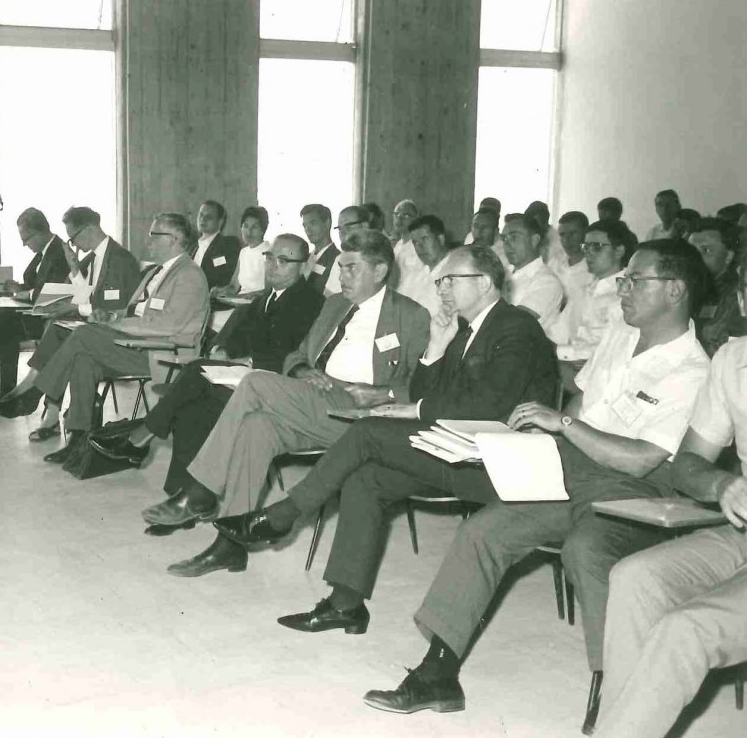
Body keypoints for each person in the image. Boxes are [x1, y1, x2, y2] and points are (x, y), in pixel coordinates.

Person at [360, 240, 711, 728]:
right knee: (484, 532)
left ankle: (618, 686)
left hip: (632, 492)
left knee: (588, 549)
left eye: (634, 280)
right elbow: (578, 401)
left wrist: (562, 427)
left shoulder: (693, 370)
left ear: (674, 290)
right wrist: (541, 429)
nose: (622, 289)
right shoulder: (620, 334)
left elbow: (638, 461)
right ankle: (439, 674)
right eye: (625, 278)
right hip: (569, 467)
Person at [221, 245, 558, 632]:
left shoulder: (516, 327)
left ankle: (284, 515)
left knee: (366, 432)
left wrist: (414, 411)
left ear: (484, 283)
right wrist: (436, 345)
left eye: (452, 280)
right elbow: (424, 391)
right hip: (456, 448)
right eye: (440, 281)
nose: (443, 289)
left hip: (500, 463)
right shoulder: (465, 329)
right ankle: (345, 603)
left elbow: (489, 403)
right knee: (366, 477)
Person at [165, 230, 430, 577]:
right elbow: (298, 354)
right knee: (255, 428)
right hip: (317, 398)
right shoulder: (334, 305)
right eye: (340, 268)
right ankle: (229, 546)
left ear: (380, 271)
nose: (342, 276)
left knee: (256, 382)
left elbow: (426, 386)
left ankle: (202, 487)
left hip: (363, 414)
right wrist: (304, 369)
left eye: (352, 268)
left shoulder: (411, 316)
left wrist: (384, 393)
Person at [595, 274, 747, 736]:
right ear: (742, 298)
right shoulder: (733, 360)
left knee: (688, 628)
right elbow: (688, 465)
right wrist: (722, 483)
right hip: (739, 534)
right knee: (634, 577)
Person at [92, 234, 324, 528]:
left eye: (284, 261)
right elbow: (239, 328)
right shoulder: (265, 298)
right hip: (245, 376)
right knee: (193, 404)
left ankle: (144, 438)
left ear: (303, 267)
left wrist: (248, 362)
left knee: (196, 378)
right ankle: (182, 496)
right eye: (270, 258)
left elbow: (296, 354)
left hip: (275, 385)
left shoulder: (312, 302)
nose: (273, 266)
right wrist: (225, 349)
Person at [0, 213, 209, 464]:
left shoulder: (190, 275)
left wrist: (117, 323)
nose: (148, 240)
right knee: (84, 359)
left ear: (174, 239)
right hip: (137, 345)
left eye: (154, 235)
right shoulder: (157, 272)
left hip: (162, 355)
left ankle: (35, 392)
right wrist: (109, 315)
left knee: (84, 334)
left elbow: (167, 324)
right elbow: (134, 311)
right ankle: (78, 439)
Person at [0, 205, 141, 434]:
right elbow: (86, 295)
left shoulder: (119, 259)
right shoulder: (92, 258)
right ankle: (41, 402)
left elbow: (111, 310)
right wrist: (73, 269)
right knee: (58, 327)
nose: (74, 246)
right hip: (97, 325)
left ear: (89, 229)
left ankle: (33, 394)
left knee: (65, 332)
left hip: (117, 333)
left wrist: (73, 307)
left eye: (73, 239)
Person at [0, 208, 70, 400]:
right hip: (32, 311)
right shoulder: (45, 252)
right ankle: (4, 393)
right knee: (3, 333)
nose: (24, 244)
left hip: (46, 317)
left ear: (41, 232)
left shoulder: (60, 252)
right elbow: (37, 285)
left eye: (27, 238)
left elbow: (55, 293)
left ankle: (5, 392)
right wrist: (19, 288)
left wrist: (25, 293)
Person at [552, 221, 636, 363]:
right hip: (567, 365)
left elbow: (610, 351)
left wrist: (557, 351)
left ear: (619, 251)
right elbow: (558, 332)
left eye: (596, 247)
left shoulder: (626, 295)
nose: (588, 254)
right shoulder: (585, 290)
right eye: (586, 247)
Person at [688, 216, 746, 355]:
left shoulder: (738, 299)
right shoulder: (685, 290)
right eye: (690, 251)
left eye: (705, 250)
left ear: (728, 257)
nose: (694, 258)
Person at [502, 212, 565, 331]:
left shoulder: (547, 282)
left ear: (534, 240)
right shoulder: (502, 273)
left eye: (514, 237)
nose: (507, 244)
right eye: (504, 238)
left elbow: (514, 322)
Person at [396, 214, 451, 315]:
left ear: (441, 239)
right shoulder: (413, 276)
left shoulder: (454, 275)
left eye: (425, 239)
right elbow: (395, 306)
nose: (420, 247)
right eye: (415, 242)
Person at [214, 206, 270, 298]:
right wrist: (220, 291)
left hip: (257, 304)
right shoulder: (243, 252)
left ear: (262, 230)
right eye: (245, 226)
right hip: (240, 301)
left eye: (254, 227)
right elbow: (234, 286)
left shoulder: (268, 251)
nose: (249, 231)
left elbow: (268, 291)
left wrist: (242, 297)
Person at [191, 200, 241, 289]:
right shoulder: (191, 247)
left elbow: (225, 276)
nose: (203, 219)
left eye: (208, 217)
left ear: (220, 222)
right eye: (201, 215)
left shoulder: (228, 245)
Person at [325, 206, 373, 295]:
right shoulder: (340, 259)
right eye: (340, 228)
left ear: (364, 226)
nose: (343, 233)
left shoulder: (379, 256)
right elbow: (329, 295)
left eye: (348, 227)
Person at [551, 211, 594, 306]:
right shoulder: (553, 264)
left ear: (586, 233)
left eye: (573, 233)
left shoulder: (595, 269)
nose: (567, 240)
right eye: (562, 235)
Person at [300, 204, 339, 291]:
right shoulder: (304, 257)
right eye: (305, 225)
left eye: (313, 223)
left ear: (327, 223)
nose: (307, 230)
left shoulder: (337, 259)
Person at [390, 199, 422, 289]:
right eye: (396, 214)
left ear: (416, 220)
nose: (399, 218)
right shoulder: (397, 246)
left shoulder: (419, 246)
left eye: (405, 215)